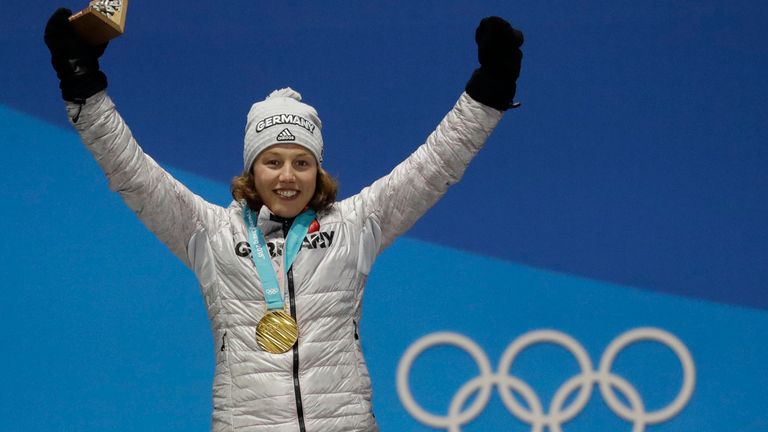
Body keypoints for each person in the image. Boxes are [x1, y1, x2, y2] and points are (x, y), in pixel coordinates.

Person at [44, 8, 523, 432]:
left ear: (319, 169)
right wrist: (83, 88)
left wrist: (488, 94)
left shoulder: (354, 225)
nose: (288, 176)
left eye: (302, 162)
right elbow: (131, 172)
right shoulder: (209, 232)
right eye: (273, 161)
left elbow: (435, 166)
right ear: (252, 168)